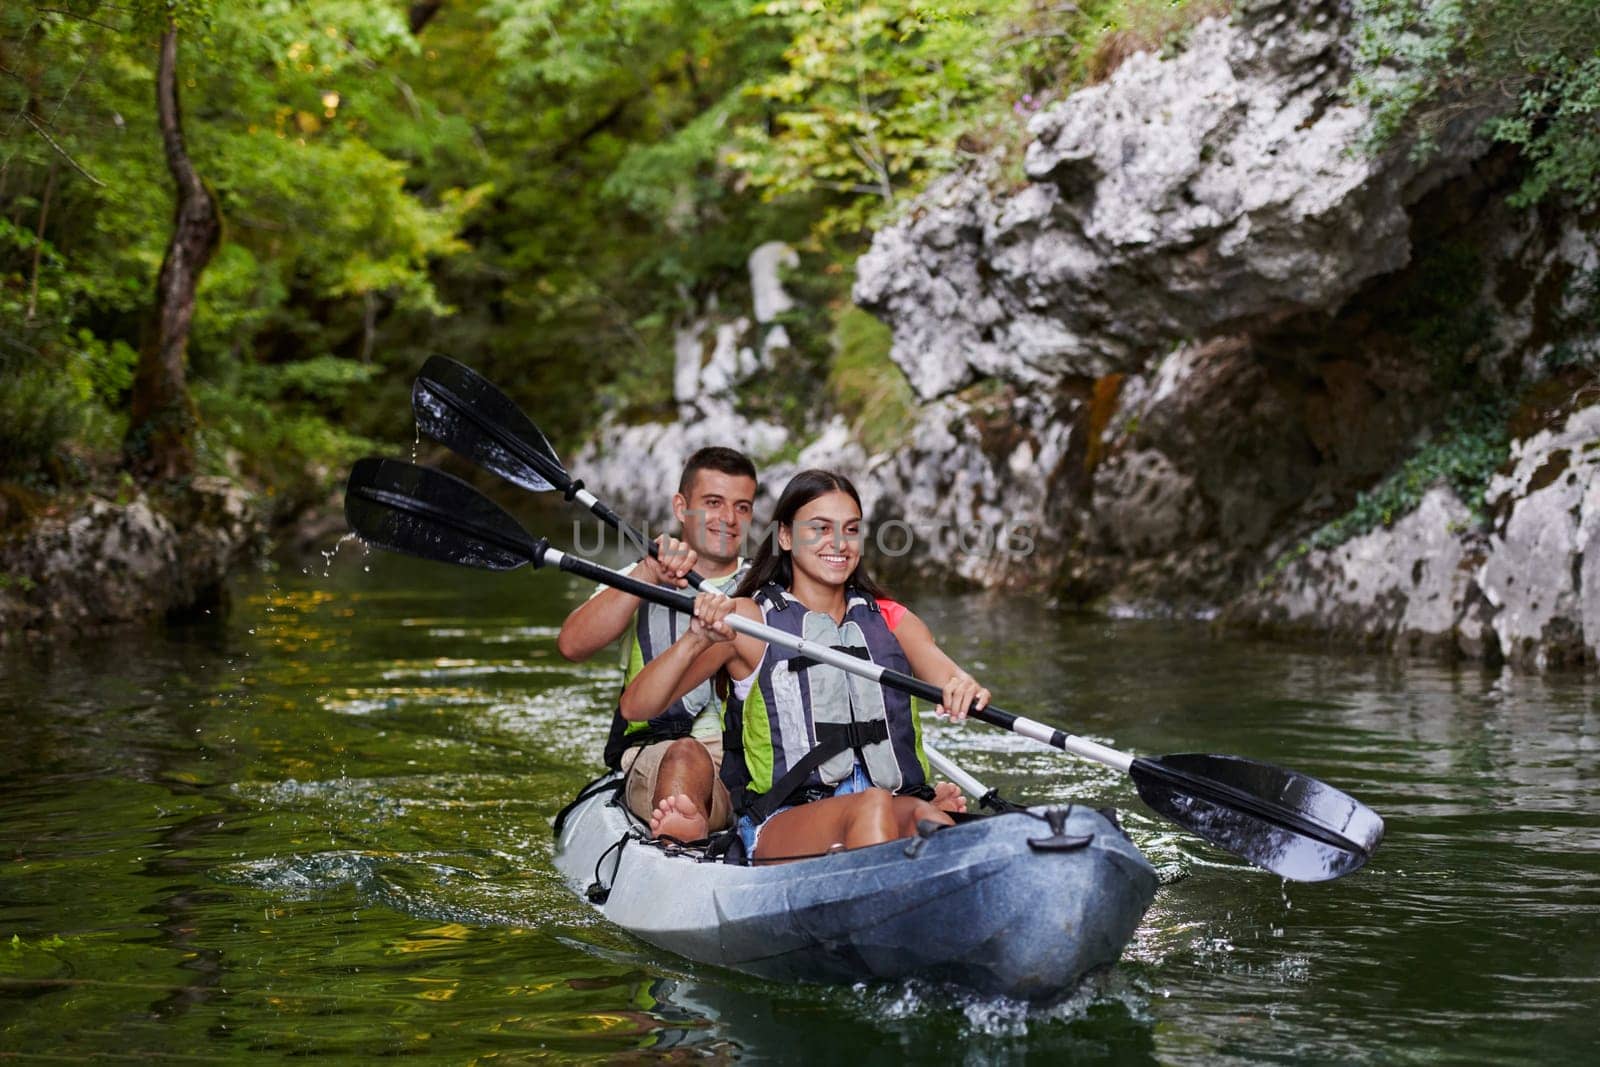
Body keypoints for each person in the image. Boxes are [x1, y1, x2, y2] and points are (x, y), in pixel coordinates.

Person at [619, 468, 987, 861]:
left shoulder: (889, 617)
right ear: (785, 536)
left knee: (925, 816)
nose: (839, 543)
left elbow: (949, 673)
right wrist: (696, 639)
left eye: (850, 530)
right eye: (820, 528)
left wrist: (962, 686)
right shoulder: (750, 620)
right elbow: (636, 706)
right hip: (784, 819)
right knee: (873, 806)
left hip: (887, 801)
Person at [557, 446, 758, 842]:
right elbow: (572, 645)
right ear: (681, 507)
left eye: (742, 507)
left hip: (752, 760)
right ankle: (679, 841)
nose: (728, 519)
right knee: (686, 755)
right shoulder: (636, 576)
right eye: (713, 503)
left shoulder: (766, 588)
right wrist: (648, 572)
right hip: (662, 753)